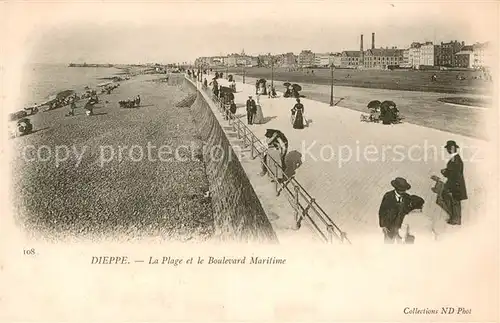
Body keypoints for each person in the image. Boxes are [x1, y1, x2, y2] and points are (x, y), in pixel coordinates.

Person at [378, 177, 414, 243]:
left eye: (404, 189)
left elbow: (410, 212)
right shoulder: (388, 196)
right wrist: (383, 226)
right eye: (401, 189)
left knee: (401, 248)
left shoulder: (407, 197)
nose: (403, 191)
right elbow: (382, 211)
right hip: (389, 227)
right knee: (388, 246)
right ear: (396, 188)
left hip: (402, 227)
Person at [440, 140, 468, 225]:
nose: (447, 150)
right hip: (456, 184)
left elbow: (454, 174)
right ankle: (455, 218)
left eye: (448, 149)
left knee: (453, 201)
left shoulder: (455, 160)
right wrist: (446, 171)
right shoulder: (455, 158)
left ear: (451, 149)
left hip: (455, 184)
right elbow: (453, 171)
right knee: (453, 201)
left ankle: (456, 219)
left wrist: (445, 172)